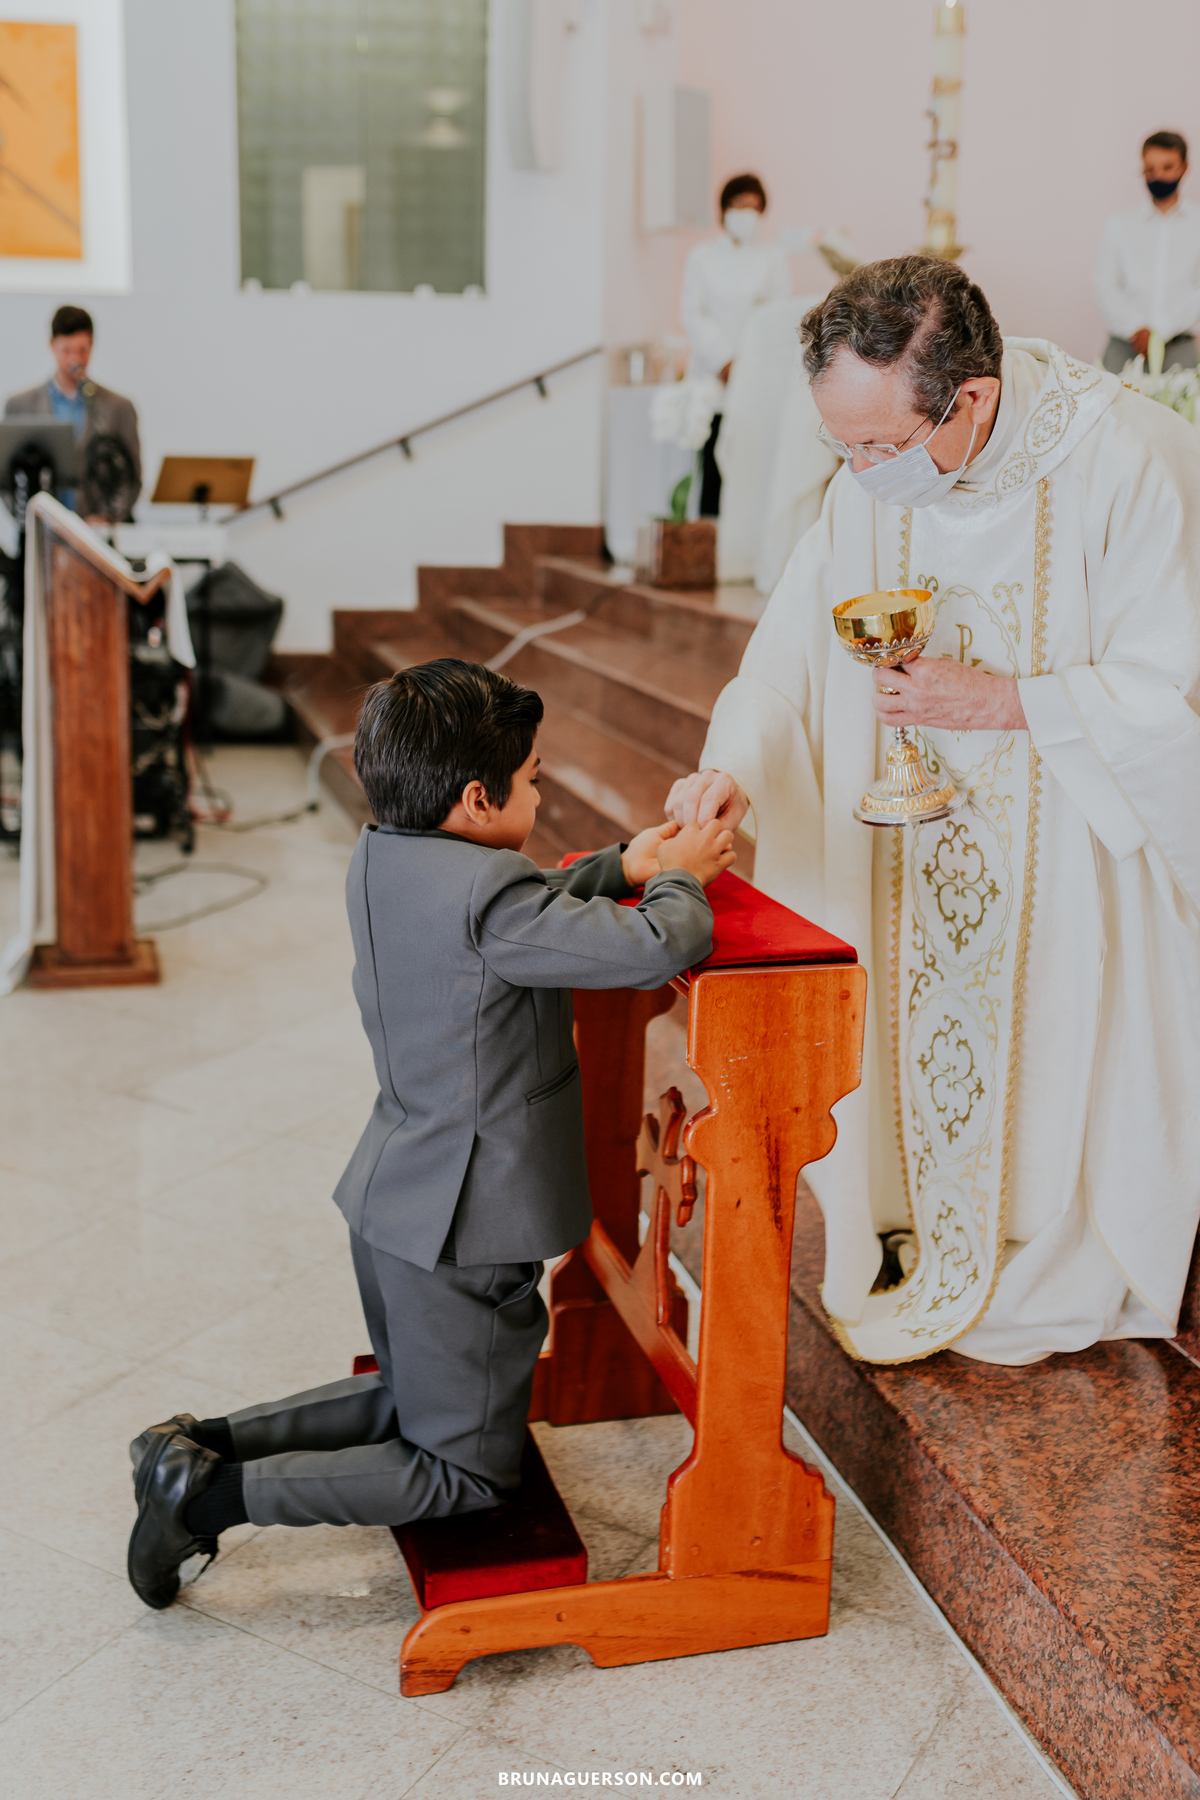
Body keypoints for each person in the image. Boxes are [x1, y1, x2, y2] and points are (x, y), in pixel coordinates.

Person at [665, 255, 1200, 1368]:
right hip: (910, 859)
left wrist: (1006, 702)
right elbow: (788, 654)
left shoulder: (1127, 463)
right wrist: (734, 767)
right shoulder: (871, 478)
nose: (859, 472)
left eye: (879, 447)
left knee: (1051, 1050)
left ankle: (1043, 1240)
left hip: (1072, 862)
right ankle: (915, 1215)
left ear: (975, 399)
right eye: (841, 446)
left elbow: (1170, 698)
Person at [125, 658, 733, 1608]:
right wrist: (680, 881)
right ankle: (207, 1496)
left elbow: (527, 909)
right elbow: (661, 945)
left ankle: (196, 1443)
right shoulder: (494, 900)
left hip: (398, 1197)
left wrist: (621, 865)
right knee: (460, 1474)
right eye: (532, 779)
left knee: (414, 1397)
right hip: (467, 1226)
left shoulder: (389, 854)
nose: (539, 791)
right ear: (477, 797)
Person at [681, 174, 789, 515]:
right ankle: (708, 534)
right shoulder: (702, 257)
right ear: (724, 209)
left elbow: (777, 315)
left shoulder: (772, 258)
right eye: (739, 205)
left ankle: (743, 543)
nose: (746, 214)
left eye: (754, 208)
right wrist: (724, 361)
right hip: (713, 376)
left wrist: (749, 363)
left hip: (756, 373)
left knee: (750, 461)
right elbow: (692, 312)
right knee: (711, 457)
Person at [4, 304, 142, 521]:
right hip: (42, 532)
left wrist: (108, 518)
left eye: (82, 350)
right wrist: (30, 519)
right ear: (52, 346)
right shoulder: (20, 406)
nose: (74, 361)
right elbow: (7, 479)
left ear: (92, 346)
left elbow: (130, 478)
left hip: (96, 534)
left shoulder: (119, 408)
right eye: (66, 351)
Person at [1094, 130, 1200, 374]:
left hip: (1178, 346)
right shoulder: (1119, 224)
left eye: (1167, 167)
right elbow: (1105, 284)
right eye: (1150, 169)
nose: (1158, 176)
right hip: (1125, 345)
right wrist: (1135, 327)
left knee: (1182, 411)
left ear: (1184, 167)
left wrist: (1162, 328)